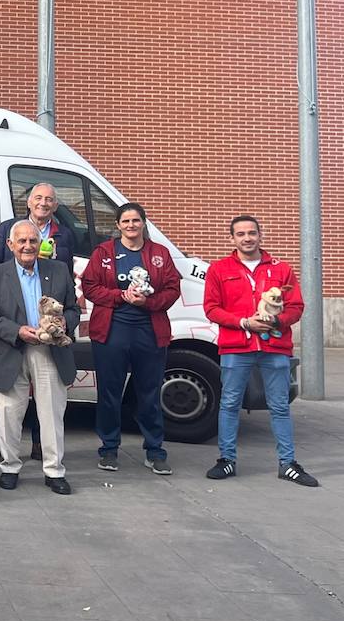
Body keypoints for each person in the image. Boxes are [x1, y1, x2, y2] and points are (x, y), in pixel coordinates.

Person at [203, 215, 316, 486]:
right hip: (236, 347)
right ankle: (227, 460)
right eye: (240, 234)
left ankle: (287, 463)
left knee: (279, 406)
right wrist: (244, 323)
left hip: (274, 347)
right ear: (232, 238)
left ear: (260, 235)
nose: (247, 238)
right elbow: (211, 308)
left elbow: (296, 306)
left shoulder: (280, 269)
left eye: (251, 232)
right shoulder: (219, 269)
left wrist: (276, 321)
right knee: (229, 404)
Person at [0, 219, 80, 494]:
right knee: (9, 413)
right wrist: (17, 331)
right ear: (10, 245)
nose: (27, 246)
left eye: (33, 241)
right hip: (12, 349)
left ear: (41, 244)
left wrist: (63, 325)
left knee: (51, 412)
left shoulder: (58, 270)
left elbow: (73, 309)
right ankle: (9, 466)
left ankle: (54, 471)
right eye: (21, 241)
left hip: (50, 349)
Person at [80, 202, 180, 475]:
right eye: (125, 221)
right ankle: (109, 449)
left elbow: (173, 289)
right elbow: (89, 286)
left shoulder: (159, 253)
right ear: (118, 225)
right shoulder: (104, 253)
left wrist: (148, 301)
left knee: (148, 394)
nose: (131, 226)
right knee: (109, 394)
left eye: (136, 220)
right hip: (111, 332)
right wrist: (119, 296)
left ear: (143, 223)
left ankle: (155, 450)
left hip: (149, 332)